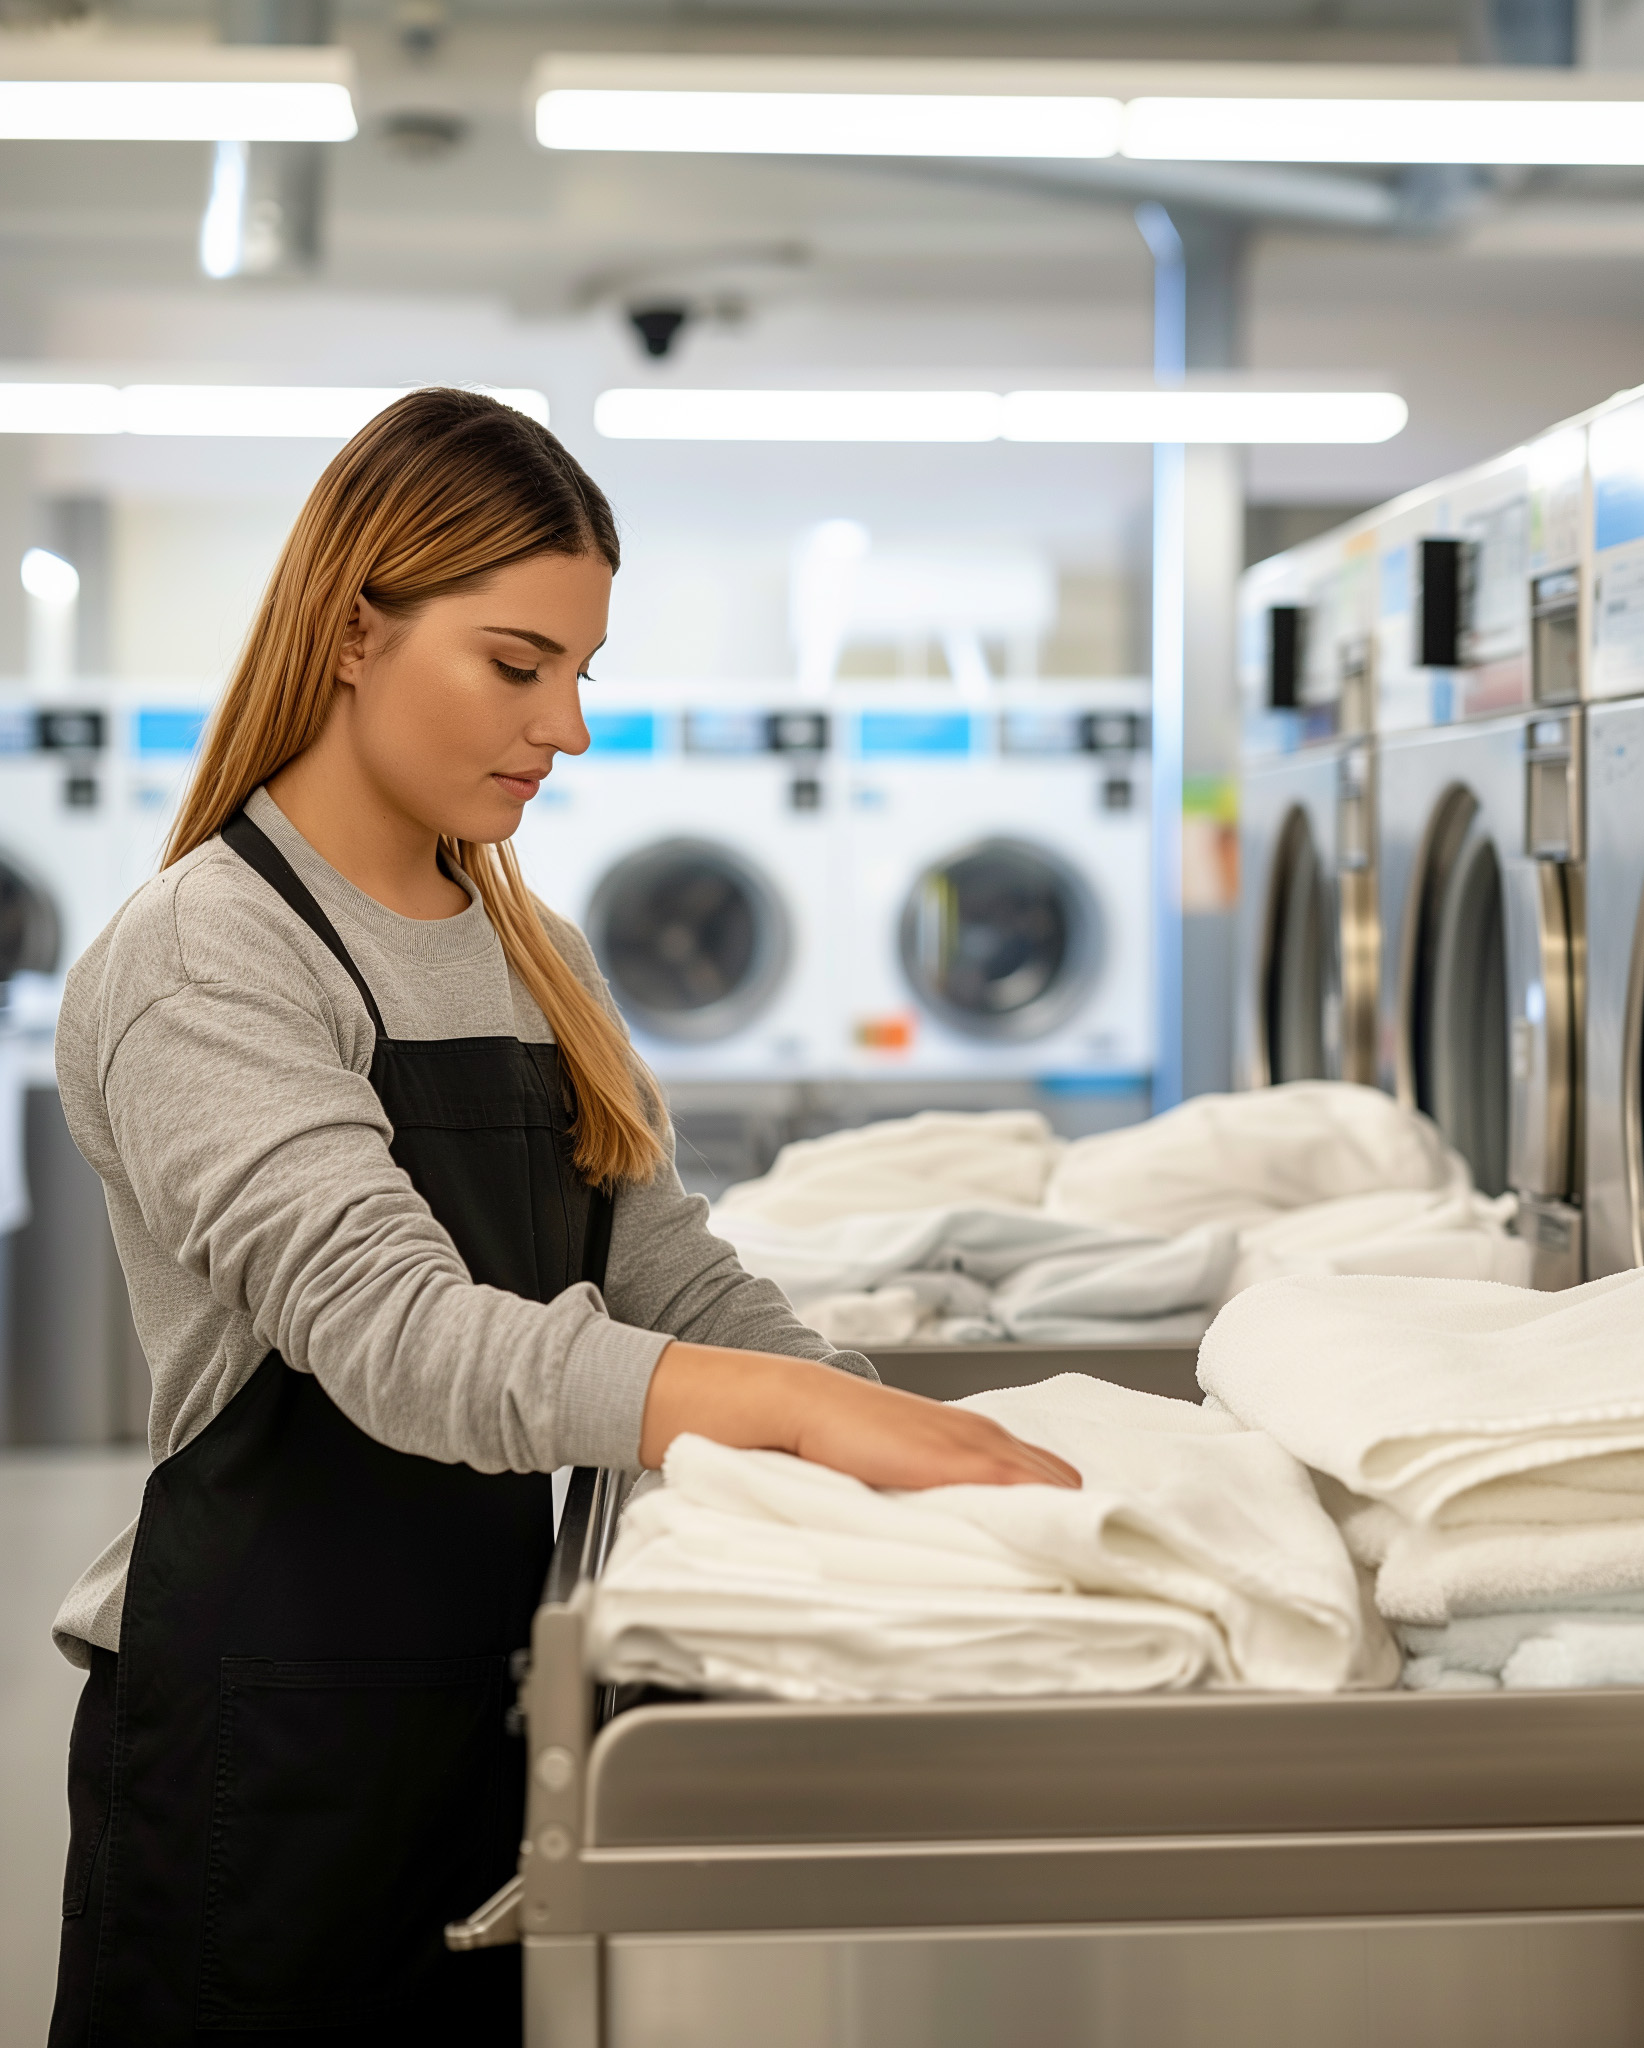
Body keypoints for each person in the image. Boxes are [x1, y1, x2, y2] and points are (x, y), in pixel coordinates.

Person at [46, 388, 1079, 2047]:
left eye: (581, 674)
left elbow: (662, 1266)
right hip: (263, 1742)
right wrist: (789, 1413)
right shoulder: (207, 955)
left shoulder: (533, 948)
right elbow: (397, 1341)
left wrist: (898, 1459)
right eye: (518, 665)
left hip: (474, 1690)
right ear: (352, 629)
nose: (568, 727)